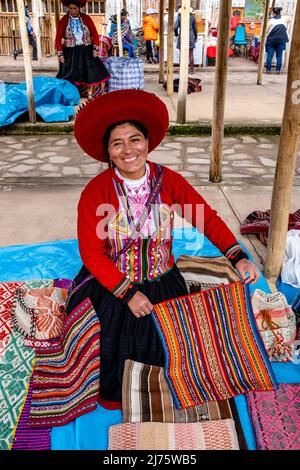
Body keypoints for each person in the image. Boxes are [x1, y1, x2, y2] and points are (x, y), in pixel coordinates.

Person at [68, 89, 260, 409]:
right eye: (118, 143)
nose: (128, 149)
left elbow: (207, 219)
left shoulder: (168, 180)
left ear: (147, 142)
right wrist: (128, 293)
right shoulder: (96, 192)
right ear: (108, 152)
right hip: (116, 284)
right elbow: (91, 253)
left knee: (177, 349)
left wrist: (238, 257)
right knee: (113, 350)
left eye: (135, 139)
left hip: (164, 279)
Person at [55, 0, 110, 99]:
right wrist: (60, 54)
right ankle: (72, 94)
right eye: (70, 8)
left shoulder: (86, 18)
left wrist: (95, 48)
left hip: (86, 49)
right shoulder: (64, 20)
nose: (72, 11)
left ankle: (90, 94)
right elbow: (58, 38)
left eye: (74, 8)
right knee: (70, 73)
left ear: (79, 8)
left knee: (90, 72)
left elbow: (95, 34)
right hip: (70, 51)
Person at [265, 7, 289, 75]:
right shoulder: (284, 19)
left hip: (271, 41)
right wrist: (284, 14)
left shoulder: (271, 21)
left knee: (269, 56)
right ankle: (278, 70)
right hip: (281, 41)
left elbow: (266, 31)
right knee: (279, 56)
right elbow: (289, 18)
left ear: (273, 13)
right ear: (279, 12)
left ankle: (268, 70)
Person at [174, 6, 198, 73]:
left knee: (182, 54)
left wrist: (176, 34)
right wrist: (195, 37)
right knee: (190, 54)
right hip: (190, 36)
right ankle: (191, 69)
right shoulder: (192, 17)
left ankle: (182, 69)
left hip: (182, 36)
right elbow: (195, 29)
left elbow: (175, 27)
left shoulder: (179, 17)